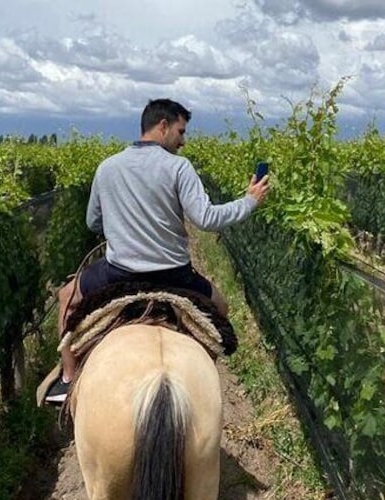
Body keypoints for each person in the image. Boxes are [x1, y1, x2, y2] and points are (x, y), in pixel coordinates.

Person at [45, 98, 270, 403]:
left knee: (65, 299)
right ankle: (203, 382)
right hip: (175, 276)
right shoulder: (178, 167)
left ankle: (67, 380)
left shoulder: (108, 167)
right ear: (163, 126)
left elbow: (92, 221)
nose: (183, 141)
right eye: (180, 131)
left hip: (118, 274)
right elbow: (206, 218)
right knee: (221, 308)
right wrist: (250, 201)